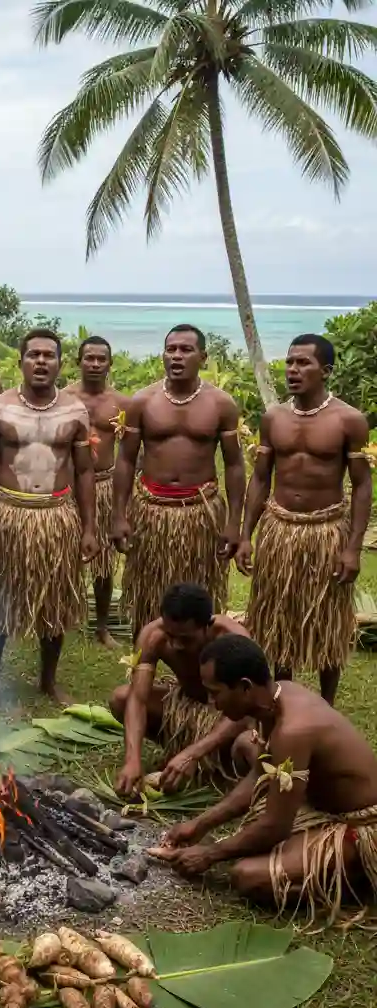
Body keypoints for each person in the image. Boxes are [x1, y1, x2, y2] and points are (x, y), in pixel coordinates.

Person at [152, 634, 377, 930]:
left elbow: (275, 826)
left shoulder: (293, 730)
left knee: (249, 877)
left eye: (215, 692)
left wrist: (210, 854)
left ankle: (357, 877)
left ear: (245, 687)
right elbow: (261, 775)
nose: (211, 702)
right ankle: (320, 860)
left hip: (362, 824)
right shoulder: (273, 699)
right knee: (245, 746)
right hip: (326, 806)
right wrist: (201, 824)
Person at [0, 328, 97, 706]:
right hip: (8, 514)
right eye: (33, 355)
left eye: (49, 356)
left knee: (53, 602)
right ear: (20, 361)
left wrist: (89, 527)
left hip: (57, 516)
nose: (41, 362)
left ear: (59, 362)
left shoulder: (75, 411)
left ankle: (49, 681)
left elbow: (85, 471)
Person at [239, 335, 371, 706]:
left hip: (326, 531)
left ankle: (326, 704)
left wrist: (353, 547)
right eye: (290, 362)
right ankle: (285, 698)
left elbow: (362, 487)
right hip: (280, 529)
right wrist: (247, 535)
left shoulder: (349, 420)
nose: (293, 370)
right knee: (278, 617)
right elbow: (261, 478)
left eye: (303, 364)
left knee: (327, 620)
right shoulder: (273, 417)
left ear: (325, 371)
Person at [111, 324, 245, 638]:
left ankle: (198, 675)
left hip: (201, 513)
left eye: (185, 349)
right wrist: (118, 514)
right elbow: (127, 460)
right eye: (171, 349)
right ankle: (143, 667)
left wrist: (233, 523)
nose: (177, 356)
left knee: (199, 598)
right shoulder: (142, 401)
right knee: (147, 596)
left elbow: (235, 465)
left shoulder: (221, 404)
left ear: (203, 356)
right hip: (152, 512)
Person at [111, 583, 251, 796]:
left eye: (186, 639)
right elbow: (138, 699)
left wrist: (194, 753)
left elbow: (246, 709)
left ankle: (211, 764)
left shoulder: (232, 640)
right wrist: (132, 759)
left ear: (207, 626)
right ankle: (178, 753)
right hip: (186, 704)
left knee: (248, 741)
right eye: (170, 635)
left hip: (227, 716)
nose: (175, 645)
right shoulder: (152, 636)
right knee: (120, 698)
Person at [64, 336, 129, 648]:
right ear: (79, 361)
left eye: (101, 359)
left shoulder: (121, 403)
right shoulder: (63, 399)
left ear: (109, 363)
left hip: (104, 484)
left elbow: (132, 450)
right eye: (88, 358)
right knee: (63, 556)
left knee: (103, 563)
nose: (94, 364)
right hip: (67, 487)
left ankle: (102, 626)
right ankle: (62, 615)